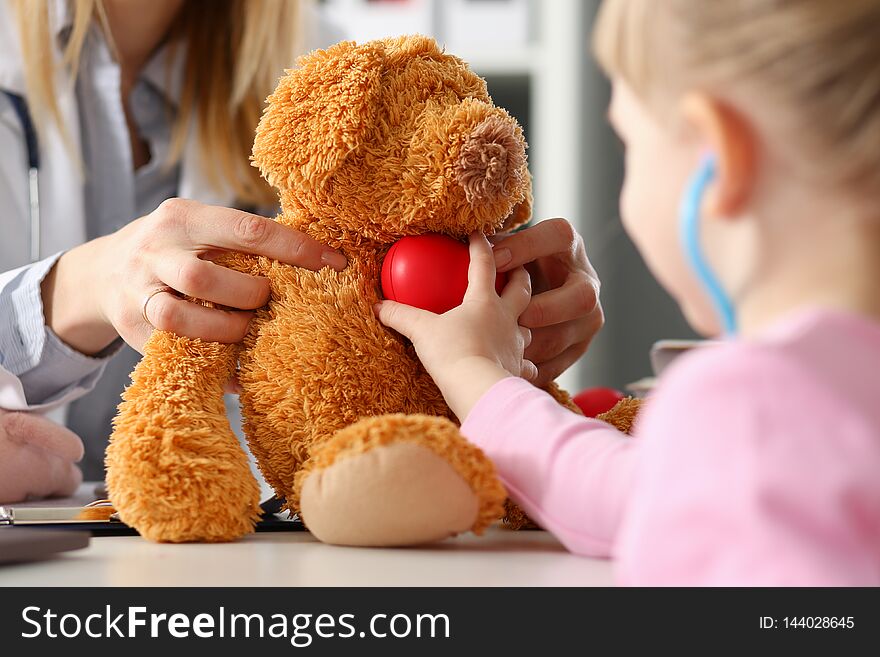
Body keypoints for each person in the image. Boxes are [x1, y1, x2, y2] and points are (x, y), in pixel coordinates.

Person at [0, 0, 603, 502]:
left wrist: (505, 281)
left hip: (279, 537)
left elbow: (392, 258)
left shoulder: (323, 64)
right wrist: (76, 288)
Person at [376, 0, 880, 585]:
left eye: (629, 145)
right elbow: (630, 491)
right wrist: (480, 376)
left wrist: (467, 364)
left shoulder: (751, 406)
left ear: (720, 155)